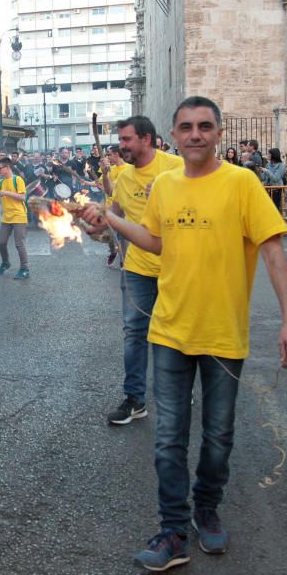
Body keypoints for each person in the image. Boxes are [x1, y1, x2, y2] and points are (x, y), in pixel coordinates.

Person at [83, 96, 287, 572]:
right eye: (186, 127)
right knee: (168, 438)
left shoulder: (242, 183)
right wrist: (112, 222)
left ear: (219, 133)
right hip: (169, 330)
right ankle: (173, 530)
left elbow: (272, 251)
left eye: (205, 126)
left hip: (224, 333)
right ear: (174, 134)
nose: (195, 135)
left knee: (219, 436)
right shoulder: (165, 185)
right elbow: (157, 242)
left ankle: (207, 506)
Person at [102, 116, 183, 426]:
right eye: (120, 140)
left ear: (146, 139)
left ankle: (178, 386)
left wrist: (168, 198)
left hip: (177, 267)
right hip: (137, 267)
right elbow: (115, 216)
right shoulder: (123, 179)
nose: (121, 146)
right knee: (134, 332)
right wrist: (96, 220)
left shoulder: (175, 167)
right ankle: (135, 399)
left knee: (175, 331)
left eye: (126, 140)